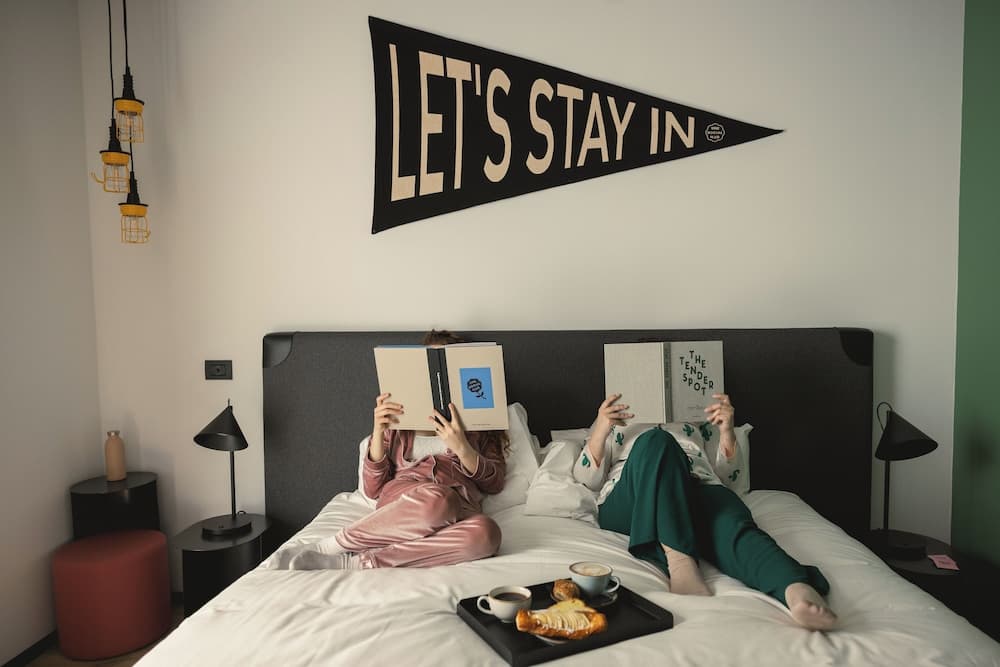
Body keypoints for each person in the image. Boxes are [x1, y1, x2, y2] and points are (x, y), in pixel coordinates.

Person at [572, 392, 837, 631]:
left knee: (732, 526)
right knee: (656, 440)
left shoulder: (699, 416)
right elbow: (586, 480)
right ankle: (680, 561)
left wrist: (727, 431)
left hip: (696, 487)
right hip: (633, 499)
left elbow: (733, 480)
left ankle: (794, 588)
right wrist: (602, 427)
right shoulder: (613, 415)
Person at [280, 330, 506, 570]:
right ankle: (331, 546)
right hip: (405, 508)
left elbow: (495, 483)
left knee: (487, 533)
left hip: (459, 512)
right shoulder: (398, 426)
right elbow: (372, 489)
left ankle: (356, 563)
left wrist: (462, 447)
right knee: (439, 500)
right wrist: (378, 430)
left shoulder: (479, 428)